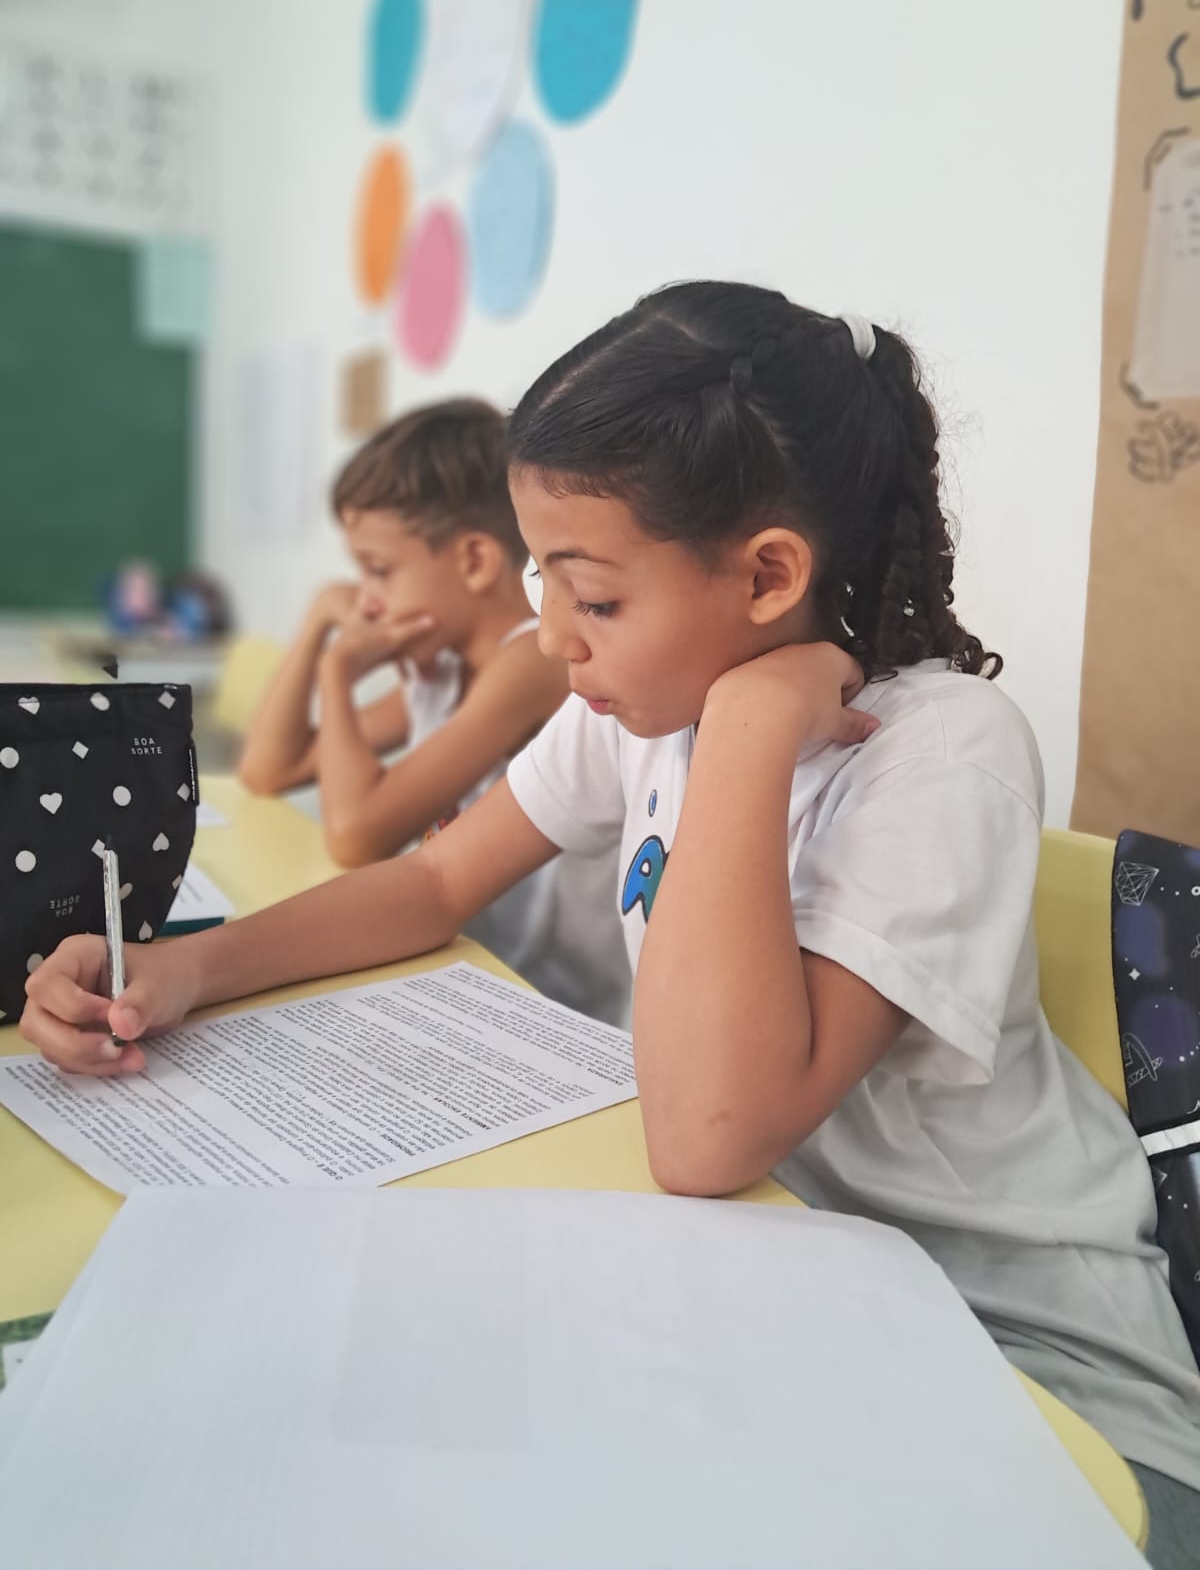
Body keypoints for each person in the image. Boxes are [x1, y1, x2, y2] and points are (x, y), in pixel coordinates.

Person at [22, 283, 1200, 1564]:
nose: (550, 639)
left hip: (1044, 1392)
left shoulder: (941, 755)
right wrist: (189, 964)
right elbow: (429, 883)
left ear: (765, 577)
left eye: (591, 597)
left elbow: (706, 1133)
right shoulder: (638, 701)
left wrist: (749, 733)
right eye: (543, 584)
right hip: (776, 1290)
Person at [237, 397, 628, 1024]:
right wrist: (314, 624)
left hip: (557, 1004)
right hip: (469, 974)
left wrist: (336, 673)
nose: (365, 600)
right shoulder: (441, 672)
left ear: (474, 561)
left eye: (379, 571)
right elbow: (268, 769)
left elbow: (356, 836)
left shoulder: (529, 664)